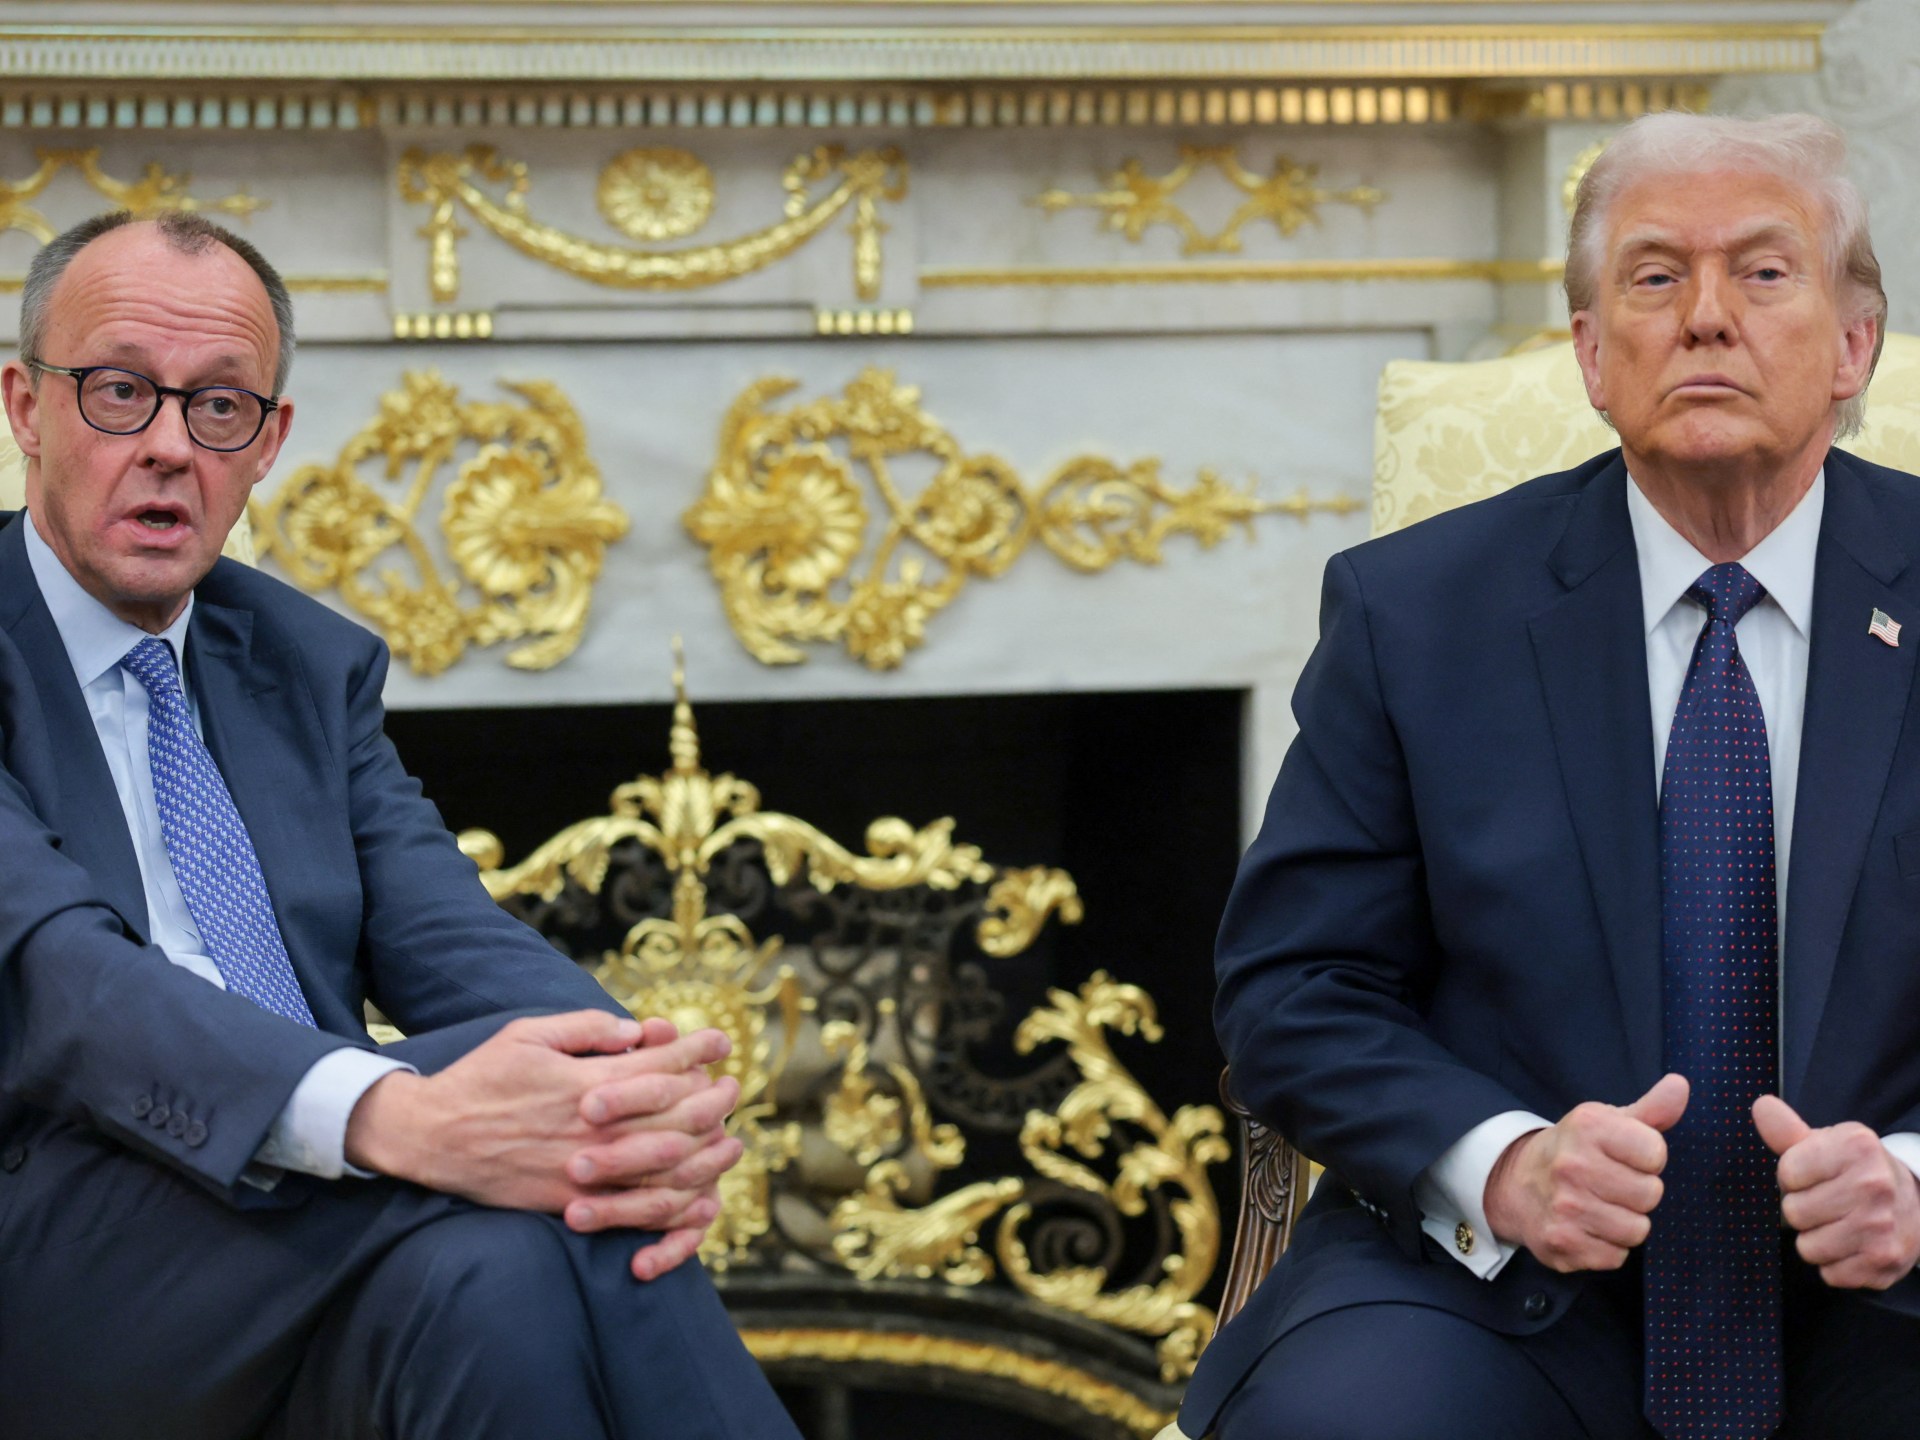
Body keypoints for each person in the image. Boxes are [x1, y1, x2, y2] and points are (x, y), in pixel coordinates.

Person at [0, 209, 803, 1440]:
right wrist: (400, 1118)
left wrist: (636, 1095)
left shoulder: (300, 664)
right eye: (120, 393)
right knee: (541, 1191)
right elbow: (66, 984)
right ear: (26, 407)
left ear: (269, 444)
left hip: (304, 1230)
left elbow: (458, 939)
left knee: (505, 1274)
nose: (168, 447)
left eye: (219, 407)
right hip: (57, 1252)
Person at [1178, 112, 1920, 1440]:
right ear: (1589, 354)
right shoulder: (1418, 613)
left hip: (1893, 1285)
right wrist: (1505, 1165)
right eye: (1654, 276)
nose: (1705, 317)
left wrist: (1916, 1181)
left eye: (1763, 272)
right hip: (1495, 1287)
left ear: (1853, 344)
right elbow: (1294, 984)